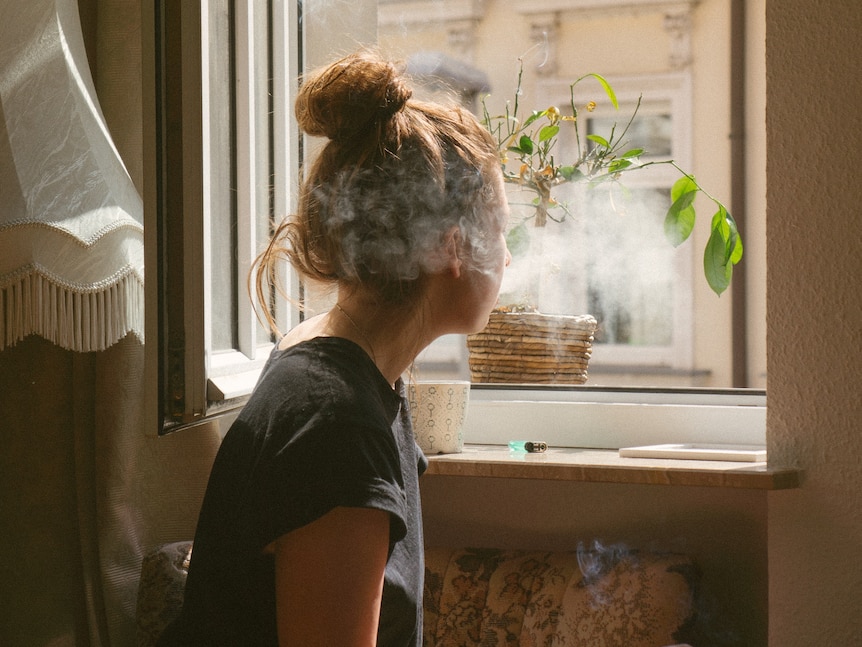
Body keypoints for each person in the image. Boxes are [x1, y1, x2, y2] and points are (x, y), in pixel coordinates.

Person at [157, 49, 511, 646]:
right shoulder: (340, 428)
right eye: (501, 230)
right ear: (449, 249)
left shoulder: (342, 365)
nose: (507, 257)